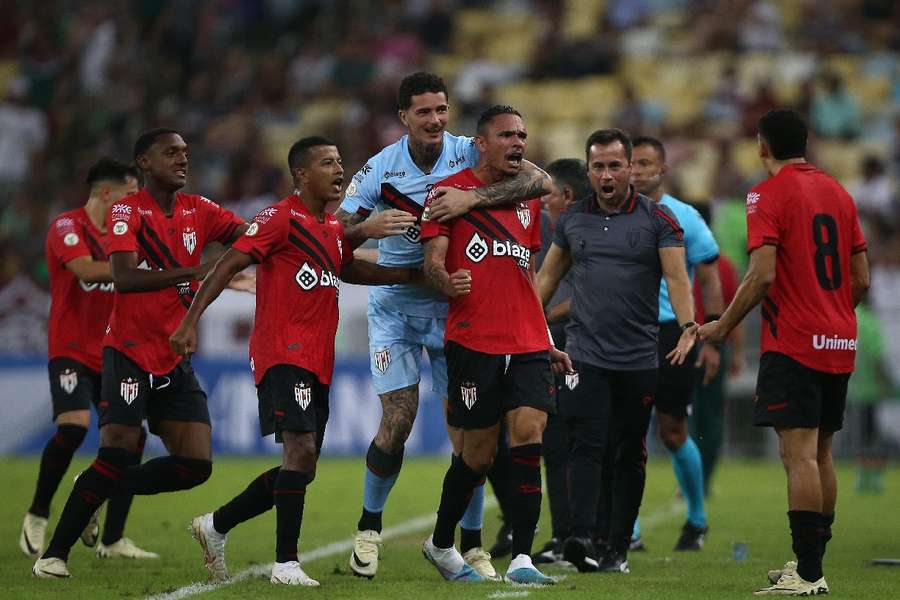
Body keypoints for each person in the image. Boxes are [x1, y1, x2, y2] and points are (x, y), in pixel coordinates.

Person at [169, 137, 424, 586]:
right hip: (280, 351)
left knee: (300, 467)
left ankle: (215, 525)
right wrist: (191, 321)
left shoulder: (330, 228)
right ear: (302, 175)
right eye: (328, 163)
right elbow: (228, 265)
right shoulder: (278, 218)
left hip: (317, 357)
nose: (339, 169)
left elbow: (349, 268)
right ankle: (285, 563)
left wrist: (410, 274)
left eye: (341, 161)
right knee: (300, 450)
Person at [335, 72, 550, 580]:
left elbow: (540, 182)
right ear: (404, 117)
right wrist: (366, 227)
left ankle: (472, 544)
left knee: (473, 433)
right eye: (424, 111)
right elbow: (336, 234)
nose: (435, 120)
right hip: (396, 305)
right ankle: (369, 530)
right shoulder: (380, 168)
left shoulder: (468, 151)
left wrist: (472, 201)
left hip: (454, 307)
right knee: (400, 418)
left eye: (441, 109)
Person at [32, 128, 252, 579]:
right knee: (116, 451)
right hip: (128, 352)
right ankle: (53, 555)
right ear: (144, 163)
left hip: (174, 356)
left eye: (186, 152)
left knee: (196, 466)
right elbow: (125, 278)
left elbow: (252, 239)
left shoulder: (201, 210)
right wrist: (200, 271)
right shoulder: (126, 211)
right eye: (171, 153)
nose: (182, 159)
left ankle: (94, 489)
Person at [698, 108, 870, 596]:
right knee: (822, 452)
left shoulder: (765, 193)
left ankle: (810, 574)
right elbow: (861, 279)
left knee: (798, 456)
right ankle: (810, 560)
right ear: (807, 143)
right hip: (839, 337)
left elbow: (763, 274)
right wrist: (832, 313)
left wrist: (723, 326)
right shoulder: (839, 193)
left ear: (761, 145)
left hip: (794, 340)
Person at [419, 105, 569, 585]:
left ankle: (523, 558)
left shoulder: (525, 198)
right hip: (473, 340)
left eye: (523, 134)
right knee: (479, 455)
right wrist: (445, 280)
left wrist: (545, 338)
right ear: (480, 142)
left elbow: (524, 274)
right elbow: (431, 263)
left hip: (525, 339)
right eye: (506, 135)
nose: (518, 142)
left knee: (529, 434)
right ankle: (442, 543)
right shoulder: (445, 193)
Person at [536, 129, 697, 574]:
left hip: (638, 359)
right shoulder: (572, 220)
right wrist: (527, 329)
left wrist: (688, 326)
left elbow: (678, 279)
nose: (606, 174)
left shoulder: (658, 220)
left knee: (627, 453)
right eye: (598, 166)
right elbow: (545, 282)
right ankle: (582, 537)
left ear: (629, 168)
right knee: (585, 445)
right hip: (585, 355)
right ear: (589, 172)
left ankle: (617, 546)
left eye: (614, 165)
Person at [21, 158, 157, 561]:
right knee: (75, 425)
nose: (135, 203)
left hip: (113, 352)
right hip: (70, 349)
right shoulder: (67, 226)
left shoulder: (128, 231)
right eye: (130, 195)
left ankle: (113, 539)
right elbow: (83, 268)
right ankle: (38, 512)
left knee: (134, 438)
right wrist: (134, 271)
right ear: (105, 193)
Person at [628, 136, 724, 551]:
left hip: (671, 333)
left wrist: (713, 338)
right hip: (624, 332)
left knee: (672, 430)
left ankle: (697, 519)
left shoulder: (685, 216)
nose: (636, 170)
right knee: (626, 431)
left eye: (646, 163)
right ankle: (627, 529)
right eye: (632, 163)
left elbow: (708, 280)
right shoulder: (614, 216)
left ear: (663, 169)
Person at [528, 158, 590, 565]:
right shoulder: (550, 225)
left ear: (565, 195)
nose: (541, 198)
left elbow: (589, 289)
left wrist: (542, 316)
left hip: (577, 341)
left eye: (547, 192)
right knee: (551, 442)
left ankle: (585, 535)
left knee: (575, 441)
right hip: (548, 338)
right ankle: (563, 534)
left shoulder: (585, 229)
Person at [689, 250, 744, 496]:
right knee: (712, 417)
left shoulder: (680, 258)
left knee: (689, 414)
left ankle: (689, 479)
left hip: (687, 343)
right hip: (717, 345)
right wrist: (737, 353)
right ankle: (704, 479)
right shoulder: (726, 266)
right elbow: (737, 311)